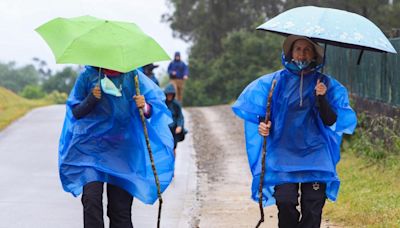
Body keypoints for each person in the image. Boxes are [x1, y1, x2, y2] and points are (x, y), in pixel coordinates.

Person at [232, 35, 357, 228]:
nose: (302, 54)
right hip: (283, 154)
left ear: (314, 55)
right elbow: (263, 114)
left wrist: (321, 97)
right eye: (298, 49)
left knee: (313, 208)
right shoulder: (274, 82)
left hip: (316, 155)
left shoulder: (324, 84)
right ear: (290, 53)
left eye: (307, 50)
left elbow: (331, 120)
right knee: (286, 202)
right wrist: (263, 125)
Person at [59, 66, 175, 228]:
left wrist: (145, 106)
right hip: (91, 150)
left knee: (119, 209)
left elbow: (154, 110)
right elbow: (76, 112)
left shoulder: (133, 77)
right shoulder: (88, 76)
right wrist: (91, 99)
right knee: (91, 201)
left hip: (123, 150)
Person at [164, 83, 186, 156]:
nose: (169, 96)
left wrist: (179, 126)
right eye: (168, 94)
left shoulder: (176, 104)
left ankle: (172, 163)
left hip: (173, 129)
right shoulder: (162, 103)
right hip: (164, 129)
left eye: (171, 94)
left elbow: (180, 116)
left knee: (173, 147)